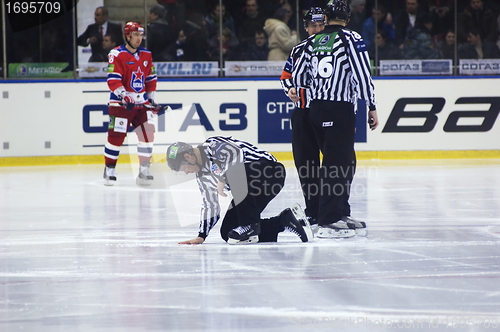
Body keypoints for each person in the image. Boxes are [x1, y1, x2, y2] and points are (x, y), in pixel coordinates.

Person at [291, 0, 378, 238]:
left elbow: (298, 76)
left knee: (344, 162)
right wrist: (371, 104)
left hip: (316, 110)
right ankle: (328, 221)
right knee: (336, 165)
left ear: (326, 18)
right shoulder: (351, 38)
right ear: (347, 19)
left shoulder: (310, 42)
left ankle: (339, 213)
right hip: (340, 109)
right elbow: (362, 73)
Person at [166, 137, 313, 245]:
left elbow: (236, 154)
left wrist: (223, 178)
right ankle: (285, 220)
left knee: (233, 173)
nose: (186, 173)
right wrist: (202, 235)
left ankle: (250, 226)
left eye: (183, 169)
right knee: (229, 233)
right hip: (251, 190)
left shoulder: (212, 146)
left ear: (188, 157)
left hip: (270, 173)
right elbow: (210, 205)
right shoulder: (201, 175)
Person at [280, 7, 325, 230]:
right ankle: (313, 210)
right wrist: (289, 90)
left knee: (334, 164)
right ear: (306, 28)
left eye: (320, 25)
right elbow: (285, 77)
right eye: (312, 26)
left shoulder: (335, 49)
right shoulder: (297, 50)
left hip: (327, 112)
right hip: (302, 113)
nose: (316, 29)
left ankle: (331, 209)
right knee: (306, 165)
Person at [103, 22, 163, 186]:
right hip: (121, 104)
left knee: (147, 134)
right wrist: (124, 96)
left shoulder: (146, 55)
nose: (139, 38)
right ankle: (109, 169)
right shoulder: (116, 54)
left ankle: (144, 170)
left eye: (141, 35)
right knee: (116, 137)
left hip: (141, 104)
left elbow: (151, 79)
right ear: (128, 36)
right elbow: (113, 79)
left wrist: (150, 100)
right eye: (136, 35)